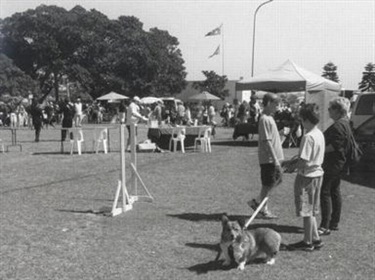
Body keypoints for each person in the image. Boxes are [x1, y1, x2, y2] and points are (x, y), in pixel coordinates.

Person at [288, 103, 325, 251]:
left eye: (302, 120)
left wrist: (291, 167)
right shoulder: (319, 133)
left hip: (307, 177)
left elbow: (303, 161)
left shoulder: (308, 137)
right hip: (317, 176)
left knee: (306, 210)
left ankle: (307, 242)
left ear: (306, 120)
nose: (301, 123)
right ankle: (316, 239)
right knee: (311, 209)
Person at [318, 97, 352, 236]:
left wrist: (319, 150)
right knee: (334, 192)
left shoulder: (338, 125)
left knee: (325, 192)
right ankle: (334, 222)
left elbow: (335, 146)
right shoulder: (345, 123)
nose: (328, 110)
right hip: (339, 163)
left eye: (331, 108)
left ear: (338, 110)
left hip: (332, 163)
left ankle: (325, 225)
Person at [248, 92, 284, 219]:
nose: (278, 107)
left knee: (275, 181)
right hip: (269, 159)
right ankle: (263, 208)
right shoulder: (264, 119)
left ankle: (258, 202)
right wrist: (275, 159)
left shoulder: (270, 118)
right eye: (276, 104)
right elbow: (266, 141)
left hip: (274, 158)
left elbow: (271, 138)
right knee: (268, 184)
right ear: (268, 103)